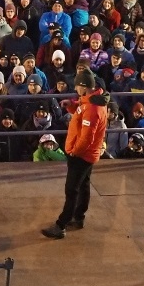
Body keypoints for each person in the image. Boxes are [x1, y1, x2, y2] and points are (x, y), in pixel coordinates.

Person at [41, 69, 109, 238]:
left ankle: (61, 225)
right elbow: (82, 111)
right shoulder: (92, 101)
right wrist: (72, 106)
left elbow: (86, 137)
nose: (75, 89)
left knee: (71, 189)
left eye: (77, 85)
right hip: (88, 154)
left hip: (81, 155)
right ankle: (78, 217)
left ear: (84, 87)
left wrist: (73, 152)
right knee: (83, 185)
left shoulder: (92, 108)